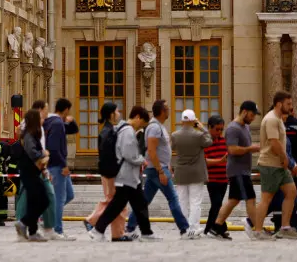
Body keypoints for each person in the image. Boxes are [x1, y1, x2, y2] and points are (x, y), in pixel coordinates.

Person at [90, 106, 157, 241]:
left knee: (138, 203)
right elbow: (129, 154)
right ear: (137, 117)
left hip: (128, 176)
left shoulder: (121, 129)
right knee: (119, 205)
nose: (142, 128)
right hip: (127, 175)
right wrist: (142, 160)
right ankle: (97, 229)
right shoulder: (127, 131)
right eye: (142, 123)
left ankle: (146, 232)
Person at [126, 99, 190, 236]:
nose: (169, 111)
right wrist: (161, 171)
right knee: (173, 198)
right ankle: (184, 229)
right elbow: (151, 150)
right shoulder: (155, 127)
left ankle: (130, 227)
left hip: (158, 167)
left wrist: (168, 165)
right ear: (161, 111)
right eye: (167, 108)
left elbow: (161, 150)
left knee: (144, 200)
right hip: (157, 169)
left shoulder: (158, 126)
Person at [251, 91, 297, 241]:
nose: (290, 107)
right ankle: (258, 231)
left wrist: (285, 162)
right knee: (267, 198)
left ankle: (285, 228)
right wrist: (285, 158)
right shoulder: (271, 119)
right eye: (288, 104)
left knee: (291, 192)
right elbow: (274, 143)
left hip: (279, 165)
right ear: (279, 104)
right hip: (270, 165)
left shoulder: (278, 119)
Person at [211, 99, 259, 240]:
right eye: (252, 114)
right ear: (244, 112)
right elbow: (231, 150)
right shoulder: (233, 128)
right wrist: (251, 148)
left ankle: (217, 226)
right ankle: (257, 229)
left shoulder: (245, 127)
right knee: (251, 198)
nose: (254, 117)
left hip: (242, 170)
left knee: (233, 200)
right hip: (238, 171)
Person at [85, 102, 128, 241]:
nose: (119, 114)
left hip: (108, 171)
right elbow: (111, 155)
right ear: (111, 114)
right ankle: (96, 223)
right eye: (117, 111)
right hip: (113, 172)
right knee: (118, 203)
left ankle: (116, 232)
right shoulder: (109, 132)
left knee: (113, 201)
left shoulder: (106, 130)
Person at [170, 108, 212, 238]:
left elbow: (170, 149)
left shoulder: (175, 135)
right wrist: (203, 128)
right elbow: (209, 141)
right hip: (196, 172)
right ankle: (193, 228)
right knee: (195, 202)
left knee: (182, 201)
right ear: (194, 120)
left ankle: (183, 228)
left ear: (181, 120)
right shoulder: (198, 135)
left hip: (181, 172)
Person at [15, 108, 50, 242]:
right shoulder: (29, 135)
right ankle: (24, 222)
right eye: (40, 118)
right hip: (29, 172)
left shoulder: (31, 134)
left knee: (33, 202)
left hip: (32, 172)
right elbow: (32, 152)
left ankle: (33, 231)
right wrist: (44, 154)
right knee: (43, 200)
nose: (43, 120)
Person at [43, 98, 76, 240]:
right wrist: (64, 165)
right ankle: (57, 229)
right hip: (57, 166)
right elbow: (54, 147)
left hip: (57, 164)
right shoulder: (56, 123)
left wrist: (71, 121)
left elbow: (74, 129)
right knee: (59, 198)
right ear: (66, 109)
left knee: (69, 195)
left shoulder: (54, 122)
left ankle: (45, 215)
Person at [202, 115, 229, 240]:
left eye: (221, 130)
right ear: (209, 128)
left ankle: (211, 228)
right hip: (212, 179)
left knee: (217, 205)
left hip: (224, 179)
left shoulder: (224, 141)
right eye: (217, 129)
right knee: (217, 204)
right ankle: (219, 228)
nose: (219, 132)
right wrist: (220, 161)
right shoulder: (205, 142)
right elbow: (203, 161)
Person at [281, 103, 297, 233]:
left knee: (281, 196)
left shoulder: (277, 124)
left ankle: (280, 225)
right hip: (296, 164)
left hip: (280, 165)